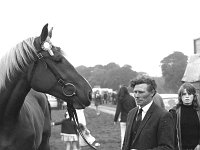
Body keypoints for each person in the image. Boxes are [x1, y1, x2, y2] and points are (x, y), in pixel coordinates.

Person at [122, 76, 174, 150]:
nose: (136, 96)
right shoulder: (131, 113)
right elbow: (126, 143)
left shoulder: (163, 116)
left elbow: (167, 147)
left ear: (152, 93)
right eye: (135, 92)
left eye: (141, 92)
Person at [169, 82, 200, 150]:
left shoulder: (198, 111)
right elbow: (170, 135)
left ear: (194, 96)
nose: (187, 96)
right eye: (184, 94)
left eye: (189, 94)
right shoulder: (174, 112)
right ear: (180, 96)